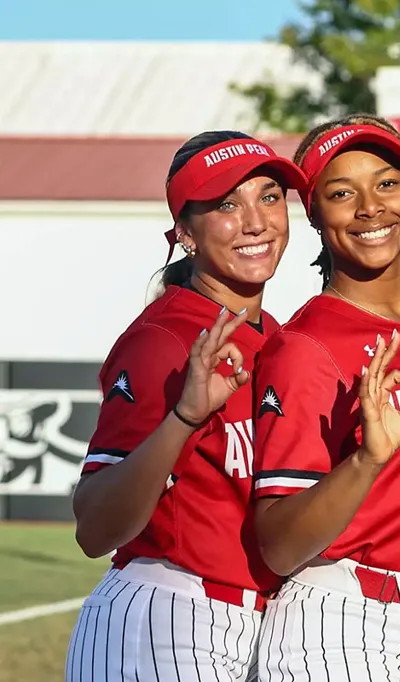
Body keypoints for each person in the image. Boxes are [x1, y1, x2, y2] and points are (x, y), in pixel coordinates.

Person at [250, 114, 400, 682]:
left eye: (386, 183)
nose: (369, 208)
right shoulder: (306, 346)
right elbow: (279, 546)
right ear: (313, 216)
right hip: (351, 628)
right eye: (341, 193)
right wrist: (366, 461)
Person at [65, 131, 306, 682]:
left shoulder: (280, 339)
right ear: (184, 234)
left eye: (269, 196)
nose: (256, 221)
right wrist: (184, 419)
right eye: (226, 204)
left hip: (258, 628)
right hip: (167, 624)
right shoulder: (165, 341)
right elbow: (95, 528)